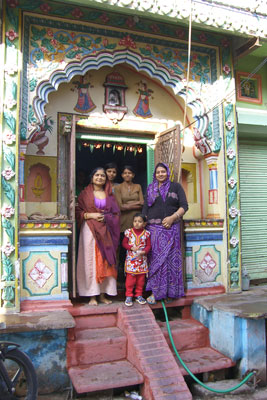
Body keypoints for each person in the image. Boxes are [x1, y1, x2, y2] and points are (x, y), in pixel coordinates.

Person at [142, 162, 188, 304]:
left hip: (171, 229)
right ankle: (156, 293)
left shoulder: (176, 187)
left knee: (170, 262)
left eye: (163, 172)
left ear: (167, 173)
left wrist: (173, 217)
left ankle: (171, 293)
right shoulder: (150, 189)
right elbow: (145, 209)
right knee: (156, 262)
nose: (160, 174)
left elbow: (184, 206)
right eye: (158, 172)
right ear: (155, 174)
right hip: (154, 230)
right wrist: (142, 224)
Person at [76, 167, 120, 306]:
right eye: (97, 175)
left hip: (106, 231)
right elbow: (77, 212)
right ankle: (91, 296)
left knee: (106, 261)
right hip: (89, 230)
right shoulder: (85, 194)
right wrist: (91, 215)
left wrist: (106, 217)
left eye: (102, 176)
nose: (100, 178)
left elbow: (116, 213)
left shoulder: (110, 195)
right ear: (92, 178)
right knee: (90, 261)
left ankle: (102, 294)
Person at [114, 166, 144, 284]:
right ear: (122, 175)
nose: (127, 175)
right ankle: (123, 277)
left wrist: (128, 204)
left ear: (133, 175)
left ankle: (137, 276)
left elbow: (142, 204)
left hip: (137, 223)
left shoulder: (138, 187)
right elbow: (120, 207)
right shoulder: (118, 188)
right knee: (123, 251)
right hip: (123, 223)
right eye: (125, 173)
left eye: (130, 173)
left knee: (137, 249)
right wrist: (136, 203)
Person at [122, 213, 151, 307]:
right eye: (135, 221)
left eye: (139, 221)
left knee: (141, 280)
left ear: (144, 224)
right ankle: (129, 295)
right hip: (131, 260)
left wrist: (144, 252)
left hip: (142, 260)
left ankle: (139, 295)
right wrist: (130, 248)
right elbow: (124, 243)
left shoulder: (146, 234)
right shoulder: (129, 232)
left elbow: (149, 246)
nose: (137, 223)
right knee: (130, 279)